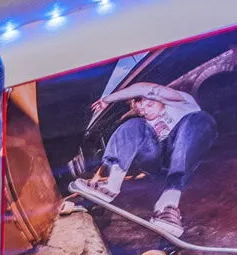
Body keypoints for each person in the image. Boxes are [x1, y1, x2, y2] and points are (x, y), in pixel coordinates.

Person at [71, 82, 216, 238]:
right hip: (156, 161)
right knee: (133, 125)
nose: (146, 111)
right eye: (141, 109)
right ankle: (111, 187)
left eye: (150, 105)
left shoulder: (182, 103)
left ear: (160, 100)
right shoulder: (142, 122)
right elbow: (131, 131)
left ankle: (168, 205)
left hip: (184, 154)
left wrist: (107, 99)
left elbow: (146, 89)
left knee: (200, 119)